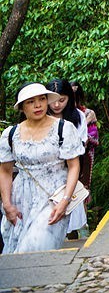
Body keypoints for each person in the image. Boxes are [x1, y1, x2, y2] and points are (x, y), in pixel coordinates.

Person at [0, 83, 85, 254]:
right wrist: (7, 205)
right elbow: (5, 171)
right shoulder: (10, 134)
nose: (38, 105)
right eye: (31, 102)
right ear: (22, 107)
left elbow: (74, 165)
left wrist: (65, 200)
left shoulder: (63, 128)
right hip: (21, 197)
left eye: (41, 99)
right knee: (15, 252)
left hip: (54, 196)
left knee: (36, 245)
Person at [45, 80, 89, 238]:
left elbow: (81, 144)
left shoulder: (78, 117)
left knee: (70, 209)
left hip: (70, 168)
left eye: (62, 100)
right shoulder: (41, 117)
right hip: (47, 170)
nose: (57, 105)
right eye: (53, 101)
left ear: (69, 98)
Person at [69, 83, 99, 205]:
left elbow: (94, 135)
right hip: (65, 156)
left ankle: (83, 220)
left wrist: (83, 137)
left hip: (84, 154)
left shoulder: (88, 113)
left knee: (82, 188)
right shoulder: (59, 114)